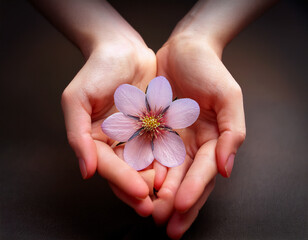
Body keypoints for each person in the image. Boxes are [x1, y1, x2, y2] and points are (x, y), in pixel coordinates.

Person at [29, 0, 278, 238]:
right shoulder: (138, 113)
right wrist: (110, 40)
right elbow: (128, 110)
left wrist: (199, 38)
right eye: (151, 122)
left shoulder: (166, 108)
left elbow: (172, 101)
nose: (151, 123)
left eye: (153, 122)